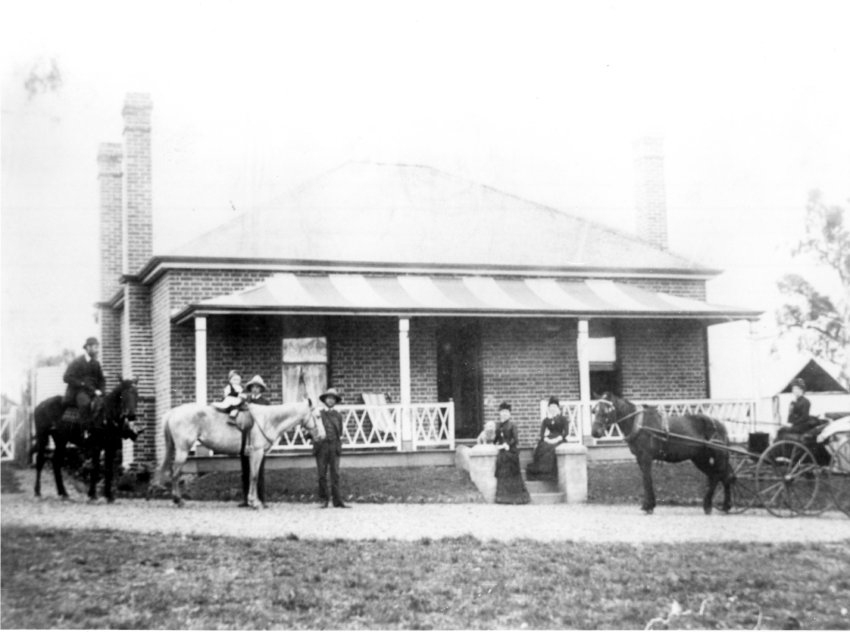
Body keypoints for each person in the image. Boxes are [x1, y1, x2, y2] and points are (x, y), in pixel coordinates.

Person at [62, 336, 106, 432]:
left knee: (106, 404)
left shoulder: (96, 364)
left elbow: (101, 380)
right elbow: (66, 377)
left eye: (97, 347)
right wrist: (81, 383)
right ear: (88, 348)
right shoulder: (77, 362)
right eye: (95, 347)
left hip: (94, 392)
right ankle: (85, 430)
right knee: (85, 403)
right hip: (80, 392)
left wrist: (101, 390)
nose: (97, 350)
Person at [315, 388, 349, 508]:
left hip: (334, 446)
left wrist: (338, 446)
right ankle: (324, 500)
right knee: (321, 474)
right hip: (322, 447)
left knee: (335, 474)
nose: (330, 400)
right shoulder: (318, 414)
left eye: (333, 398)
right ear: (325, 400)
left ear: (335, 401)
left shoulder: (338, 416)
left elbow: (340, 432)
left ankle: (337, 501)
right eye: (328, 398)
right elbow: (314, 430)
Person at [238, 375, 269, 508]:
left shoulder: (265, 403)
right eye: (253, 387)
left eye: (257, 387)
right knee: (245, 470)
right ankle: (246, 498)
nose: (255, 389)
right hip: (246, 438)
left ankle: (261, 498)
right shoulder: (245, 401)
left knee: (258, 470)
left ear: (261, 389)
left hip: (259, 439)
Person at [493, 401, 530, 504]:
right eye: (502, 412)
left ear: (509, 414)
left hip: (511, 451)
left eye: (506, 412)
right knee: (501, 461)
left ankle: (515, 498)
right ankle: (503, 497)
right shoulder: (498, 426)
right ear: (500, 413)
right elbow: (495, 440)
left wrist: (508, 445)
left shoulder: (512, 425)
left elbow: (515, 439)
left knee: (509, 462)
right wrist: (495, 444)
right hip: (502, 451)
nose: (504, 414)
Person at [526, 396, 568, 481]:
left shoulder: (563, 419)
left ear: (557, 408)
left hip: (559, 438)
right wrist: (546, 439)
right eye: (551, 407)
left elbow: (566, 432)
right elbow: (542, 433)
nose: (553, 409)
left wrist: (558, 439)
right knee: (542, 447)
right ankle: (542, 473)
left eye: (554, 407)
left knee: (553, 449)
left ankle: (550, 474)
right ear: (548, 408)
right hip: (549, 438)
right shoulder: (546, 420)